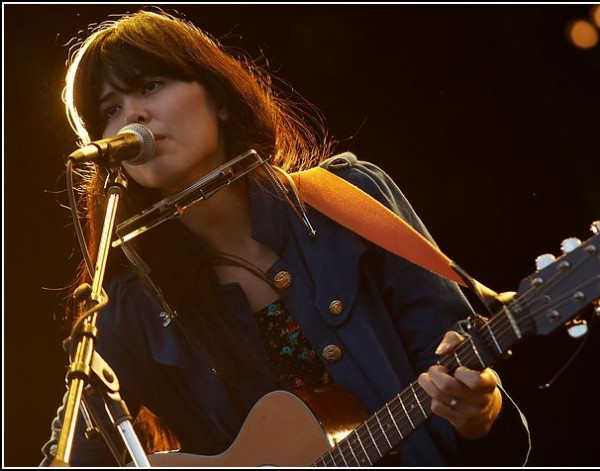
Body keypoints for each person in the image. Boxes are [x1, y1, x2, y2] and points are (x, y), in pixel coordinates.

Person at [41, 9, 530, 467]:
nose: (132, 117)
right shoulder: (133, 310)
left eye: (150, 85)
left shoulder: (351, 202)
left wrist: (477, 413)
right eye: (110, 108)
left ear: (219, 99)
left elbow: (468, 390)